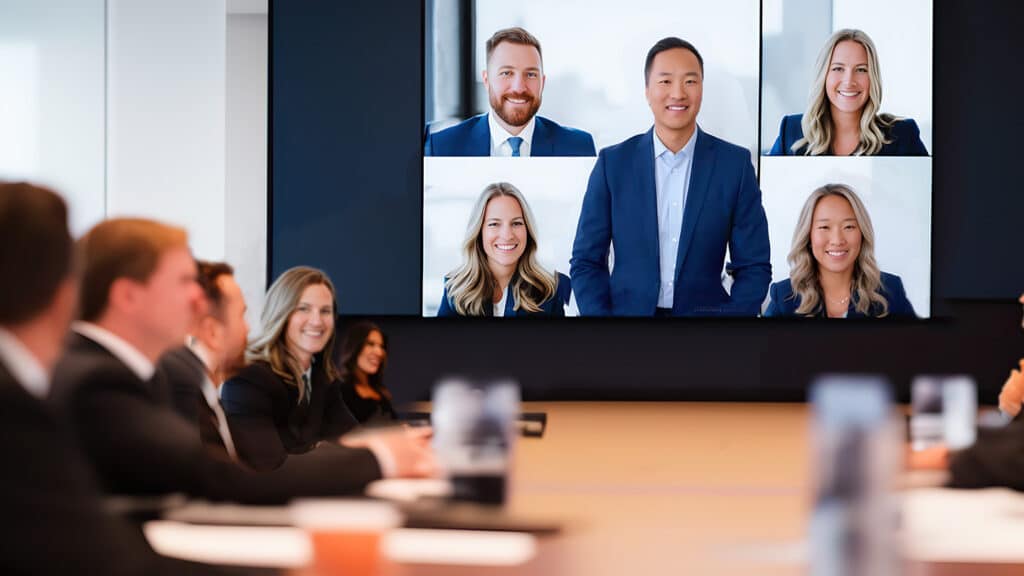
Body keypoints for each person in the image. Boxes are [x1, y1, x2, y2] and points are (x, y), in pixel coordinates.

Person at [50, 219, 426, 504]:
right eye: (184, 283)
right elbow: (222, 478)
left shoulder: (140, 375)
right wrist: (379, 458)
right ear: (128, 296)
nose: (199, 300)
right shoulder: (101, 382)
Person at [0, 183, 239, 575]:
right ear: (65, 291)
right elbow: (104, 556)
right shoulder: (25, 402)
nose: (197, 300)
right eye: (184, 282)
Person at [570, 37, 771, 317]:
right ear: (647, 91)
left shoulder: (734, 166)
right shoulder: (612, 164)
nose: (678, 93)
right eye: (665, 81)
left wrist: (728, 328)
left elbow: (754, 265)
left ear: (702, 88)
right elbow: (586, 261)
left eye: (690, 81)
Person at [221, 266, 433, 473]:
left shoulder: (321, 378)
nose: (317, 321)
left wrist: (398, 439)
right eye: (303, 308)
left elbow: (351, 437)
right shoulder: (248, 379)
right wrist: (378, 455)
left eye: (325, 311)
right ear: (281, 313)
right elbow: (271, 469)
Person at [424, 27, 595, 157]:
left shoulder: (578, 147)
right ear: (486, 80)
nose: (519, 88)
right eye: (506, 73)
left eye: (530, 74)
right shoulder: (443, 146)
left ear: (542, 83)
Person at [768, 29, 928, 156]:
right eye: (838, 68)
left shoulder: (902, 135)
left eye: (861, 69)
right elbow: (769, 191)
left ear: (873, 77)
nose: (849, 81)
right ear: (823, 75)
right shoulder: (792, 131)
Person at [764, 184, 916, 318]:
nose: (837, 240)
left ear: (862, 234)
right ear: (808, 235)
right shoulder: (784, 296)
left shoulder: (890, 290)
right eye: (824, 227)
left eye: (849, 227)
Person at [438, 182, 571, 316]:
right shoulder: (455, 288)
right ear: (479, 232)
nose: (507, 235)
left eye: (516, 223)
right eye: (494, 224)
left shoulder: (551, 288)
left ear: (527, 231)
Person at [337, 321, 398, 423]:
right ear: (355, 347)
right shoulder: (340, 391)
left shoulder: (381, 392)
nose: (379, 352)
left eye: (381, 346)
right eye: (370, 344)